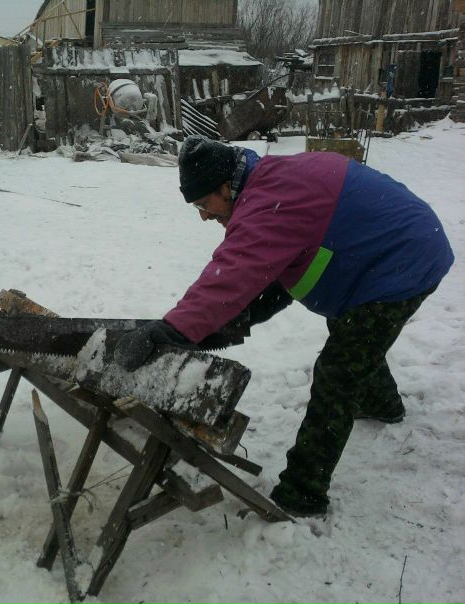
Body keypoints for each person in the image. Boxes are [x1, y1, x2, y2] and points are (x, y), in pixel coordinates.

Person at [114, 135, 454, 517]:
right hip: (377, 253)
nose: (203, 215)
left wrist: (173, 332)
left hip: (404, 260)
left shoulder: (271, 204)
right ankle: (382, 403)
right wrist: (213, 327)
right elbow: (272, 279)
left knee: (340, 370)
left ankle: (303, 493)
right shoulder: (268, 184)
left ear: (226, 187)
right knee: (355, 337)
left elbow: (233, 275)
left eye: (202, 203)